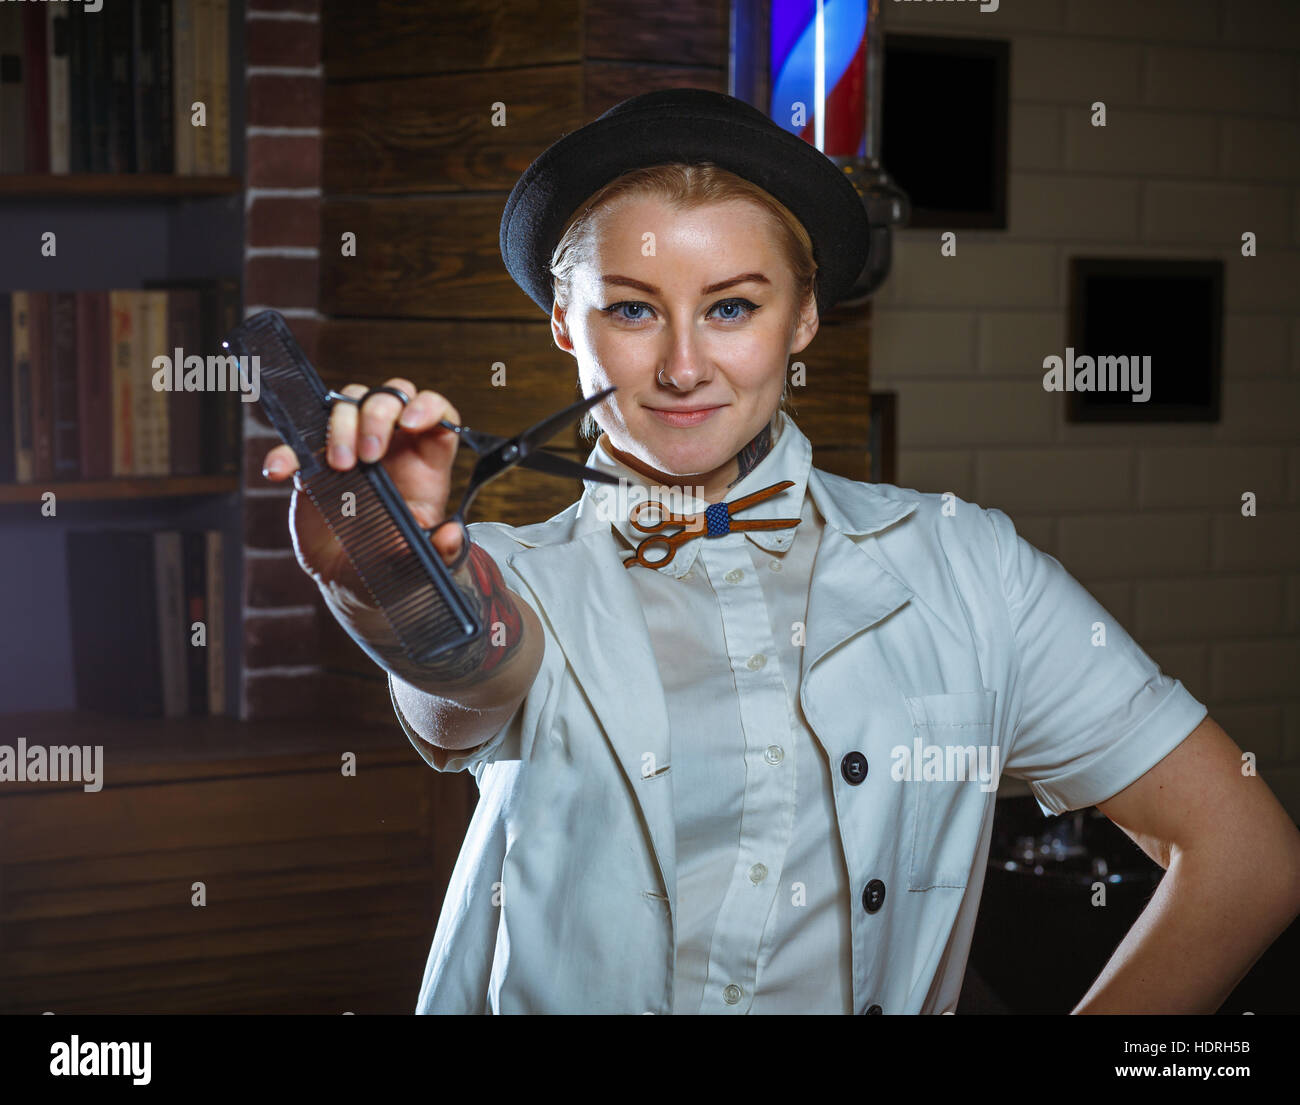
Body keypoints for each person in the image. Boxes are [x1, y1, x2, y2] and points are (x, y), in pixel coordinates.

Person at [261, 89, 1300, 1015]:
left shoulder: (969, 567)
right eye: (631, 308)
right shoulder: (510, 577)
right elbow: (468, 660)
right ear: (563, 327)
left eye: (731, 307)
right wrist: (388, 566)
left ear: (802, 318)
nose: (680, 366)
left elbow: (1247, 856)